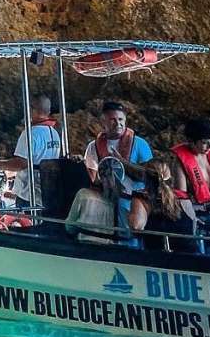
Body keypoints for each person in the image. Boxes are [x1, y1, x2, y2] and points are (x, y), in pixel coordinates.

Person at [83, 101, 152, 245]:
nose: (118, 123)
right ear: (103, 122)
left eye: (121, 120)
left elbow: (149, 176)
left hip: (133, 201)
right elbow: (93, 178)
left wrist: (123, 163)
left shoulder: (139, 144)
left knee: (132, 241)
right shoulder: (93, 146)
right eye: (113, 120)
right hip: (106, 199)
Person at [0, 93, 61, 207]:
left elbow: (19, 164)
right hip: (48, 193)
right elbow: (38, 161)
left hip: (29, 195)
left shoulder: (31, 134)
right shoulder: (54, 133)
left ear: (32, 109)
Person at [135, 153, 201, 253]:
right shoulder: (185, 200)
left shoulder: (143, 200)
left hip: (158, 259)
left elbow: (136, 226)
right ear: (170, 177)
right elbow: (193, 228)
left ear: (146, 179)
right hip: (192, 259)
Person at [66, 158, 128, 245]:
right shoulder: (121, 204)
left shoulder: (83, 194)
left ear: (99, 176)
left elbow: (69, 227)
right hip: (107, 252)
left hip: (82, 248)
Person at [171, 118, 210, 213]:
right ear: (191, 141)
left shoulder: (207, 153)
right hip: (200, 211)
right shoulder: (180, 162)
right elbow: (182, 198)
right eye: (204, 143)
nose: (209, 146)